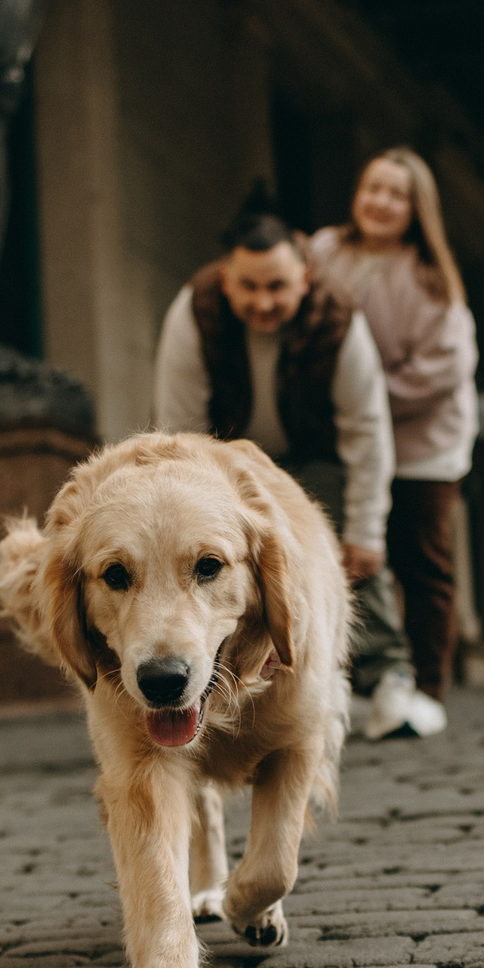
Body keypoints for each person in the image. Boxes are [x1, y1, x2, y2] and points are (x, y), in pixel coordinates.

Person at [153, 205, 412, 718]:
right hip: (222, 463)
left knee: (351, 550)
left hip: (314, 461)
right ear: (226, 278)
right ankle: (217, 677)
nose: (263, 301)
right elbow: (181, 431)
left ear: (305, 276)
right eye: (249, 287)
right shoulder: (194, 311)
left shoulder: (339, 321)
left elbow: (368, 435)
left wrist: (365, 533)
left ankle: (387, 675)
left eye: (277, 286)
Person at [308, 149, 475, 738]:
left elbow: (444, 368)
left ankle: (427, 687)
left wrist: (367, 398)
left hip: (423, 445)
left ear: (415, 209)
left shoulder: (432, 278)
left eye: (395, 194)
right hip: (347, 440)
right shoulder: (324, 252)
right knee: (351, 557)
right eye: (372, 188)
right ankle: (360, 679)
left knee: (421, 562)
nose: (380, 202)